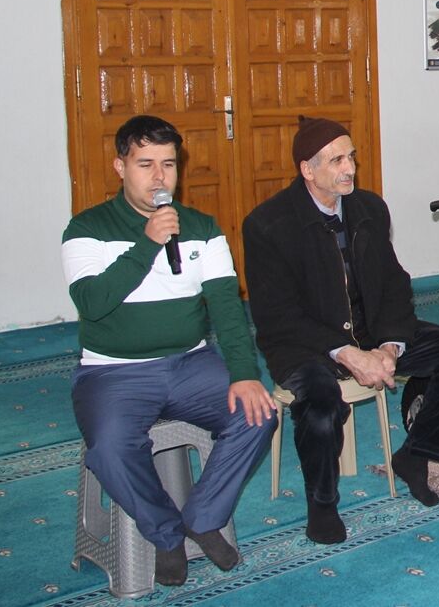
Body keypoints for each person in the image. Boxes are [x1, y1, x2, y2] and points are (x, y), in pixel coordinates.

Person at [244, 117, 439, 545]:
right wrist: (347, 354)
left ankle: (416, 454)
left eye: (351, 157)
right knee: (320, 403)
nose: (350, 168)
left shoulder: (369, 208)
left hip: (371, 332)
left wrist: (389, 346)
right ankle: (322, 503)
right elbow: (278, 316)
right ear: (307, 169)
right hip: (306, 345)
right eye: (337, 160)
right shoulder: (268, 224)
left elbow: (393, 283)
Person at [62, 115, 275, 588]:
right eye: (145, 164)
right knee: (110, 448)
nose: (159, 177)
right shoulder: (86, 228)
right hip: (112, 371)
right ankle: (165, 533)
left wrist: (245, 374)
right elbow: (92, 303)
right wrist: (147, 243)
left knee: (258, 413)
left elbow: (228, 310)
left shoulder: (201, 228)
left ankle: (202, 517)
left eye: (169, 164)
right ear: (120, 167)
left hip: (189, 363)